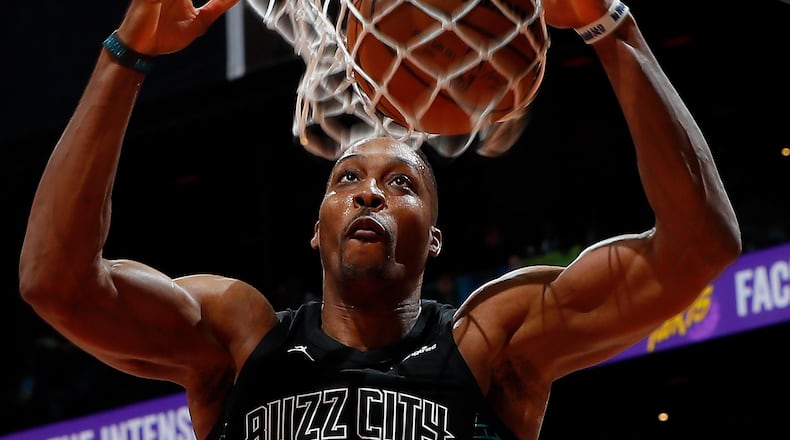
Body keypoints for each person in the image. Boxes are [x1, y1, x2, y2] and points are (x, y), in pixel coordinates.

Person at [18, 0, 742, 439]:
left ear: (433, 236)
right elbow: (56, 282)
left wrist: (613, 27)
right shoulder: (239, 340)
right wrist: (127, 54)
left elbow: (699, 247)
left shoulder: (493, 341)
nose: (369, 193)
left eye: (402, 182)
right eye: (347, 179)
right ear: (316, 226)